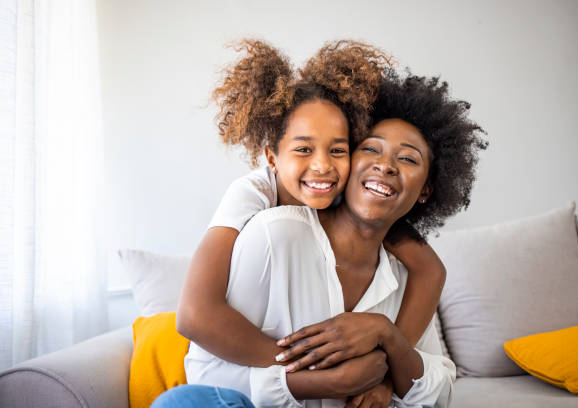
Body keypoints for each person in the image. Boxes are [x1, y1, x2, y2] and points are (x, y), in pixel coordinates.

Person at [157, 67, 486, 407]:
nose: (385, 165)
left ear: (426, 190)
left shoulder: (405, 273)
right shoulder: (268, 226)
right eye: (371, 150)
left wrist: (387, 338)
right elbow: (200, 336)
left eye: (406, 159)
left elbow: (438, 389)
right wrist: (325, 379)